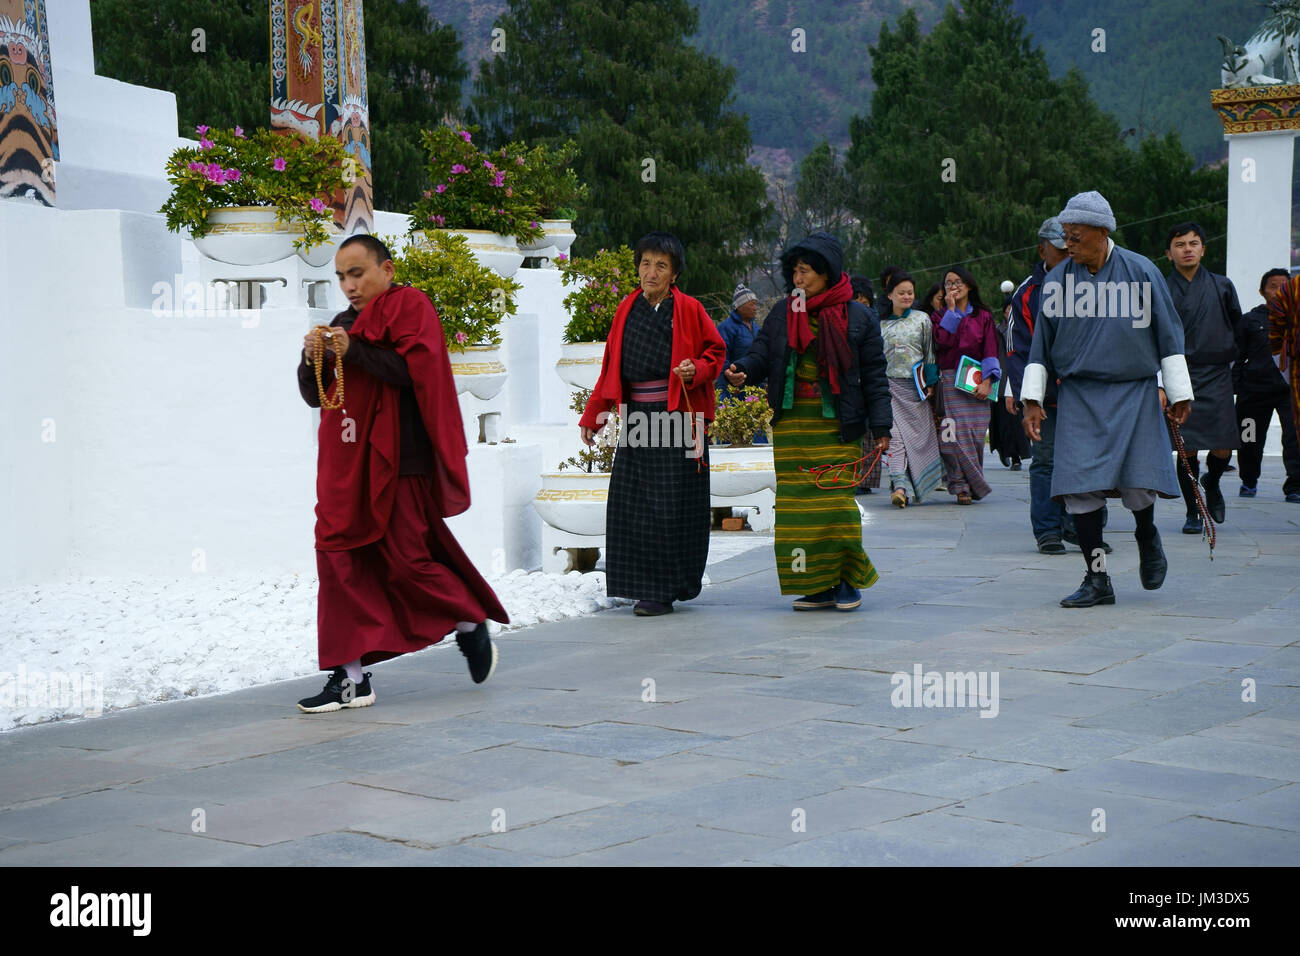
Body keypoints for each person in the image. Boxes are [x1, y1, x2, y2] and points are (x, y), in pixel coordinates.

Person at [295, 235, 508, 712]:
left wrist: (353, 351)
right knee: (337, 561)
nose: (349, 286)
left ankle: (469, 620)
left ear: (386, 270)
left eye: (358, 273)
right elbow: (316, 396)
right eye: (342, 277)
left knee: (408, 559)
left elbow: (416, 374)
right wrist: (313, 360)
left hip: (399, 459)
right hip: (344, 462)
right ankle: (350, 677)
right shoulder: (341, 326)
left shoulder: (409, 306)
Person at [1021, 190, 1191, 608]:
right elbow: (1041, 344)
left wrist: (1180, 391)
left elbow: (1169, 333)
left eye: (1076, 236)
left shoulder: (1141, 271)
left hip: (1134, 392)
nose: (1069, 244)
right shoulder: (1058, 280)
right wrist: (1031, 398)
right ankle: (1097, 578)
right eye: (1065, 236)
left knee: (1137, 485)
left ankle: (1147, 535)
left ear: (1102, 232)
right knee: (1080, 492)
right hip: (1079, 396)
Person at [723, 233, 892, 612]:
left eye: (806, 272)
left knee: (835, 505)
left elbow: (876, 377)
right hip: (793, 425)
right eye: (795, 272)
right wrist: (743, 371)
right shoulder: (784, 312)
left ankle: (846, 580)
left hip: (837, 425)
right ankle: (816, 585)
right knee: (799, 509)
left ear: (827, 274)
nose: (799, 280)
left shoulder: (859, 316)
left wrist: (882, 428)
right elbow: (762, 352)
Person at [578, 232, 725, 617]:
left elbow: (716, 351)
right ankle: (638, 585)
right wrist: (595, 413)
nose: (651, 271)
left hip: (679, 417)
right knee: (633, 504)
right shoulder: (627, 309)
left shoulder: (690, 309)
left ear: (674, 273)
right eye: (645, 263)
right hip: (639, 420)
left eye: (661, 265)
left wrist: (698, 369)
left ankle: (662, 591)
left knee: (672, 506)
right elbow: (611, 365)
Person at [1005, 216, 1109, 555]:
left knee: (1090, 462)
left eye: (1071, 248)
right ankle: (1048, 530)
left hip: (1087, 394)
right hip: (1046, 398)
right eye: (1060, 250)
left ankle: (1081, 527)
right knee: (1047, 462)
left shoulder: (1096, 284)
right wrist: (1028, 398)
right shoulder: (1026, 294)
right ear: (1042, 249)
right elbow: (1016, 351)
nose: (1068, 255)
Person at [1165, 222, 1243, 533]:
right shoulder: (1162, 288)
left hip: (1217, 373)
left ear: (1203, 249)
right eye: (1180, 244)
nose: (1187, 249)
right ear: (1169, 253)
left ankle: (1212, 481)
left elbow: (1237, 325)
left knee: (1224, 444)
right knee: (1188, 447)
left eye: (1193, 243)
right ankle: (1192, 510)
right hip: (1180, 373)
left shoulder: (1222, 285)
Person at [930, 265, 1000, 504]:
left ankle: (973, 482)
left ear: (969, 285)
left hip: (977, 383)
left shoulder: (983, 316)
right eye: (948, 283)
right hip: (949, 381)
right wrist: (951, 311)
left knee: (975, 436)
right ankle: (960, 486)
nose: (953, 287)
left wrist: (988, 381)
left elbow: (990, 348)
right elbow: (942, 342)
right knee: (951, 438)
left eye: (958, 282)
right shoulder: (938, 316)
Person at [877, 267, 943, 507]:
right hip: (888, 388)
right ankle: (900, 486)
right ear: (889, 295)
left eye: (910, 293)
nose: (906, 297)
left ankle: (914, 484)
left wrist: (931, 384)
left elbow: (930, 354)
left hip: (916, 389)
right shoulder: (880, 324)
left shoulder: (922, 320)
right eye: (901, 293)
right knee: (894, 438)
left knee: (918, 441)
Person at [1236, 268, 1300, 501]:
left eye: (1284, 285)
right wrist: (1239, 385)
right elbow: (1236, 355)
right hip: (1254, 393)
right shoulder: (1249, 320)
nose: (1278, 291)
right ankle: (1249, 480)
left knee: (1294, 437)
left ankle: (1294, 485)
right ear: (1262, 291)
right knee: (1249, 437)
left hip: (1290, 393)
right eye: (1273, 286)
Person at [852, 274, 883, 494]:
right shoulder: (846, 318)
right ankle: (854, 476)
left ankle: (867, 480)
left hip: (870, 378)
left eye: (865, 300)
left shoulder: (873, 320)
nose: (861, 304)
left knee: (872, 433)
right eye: (857, 299)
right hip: (852, 380)